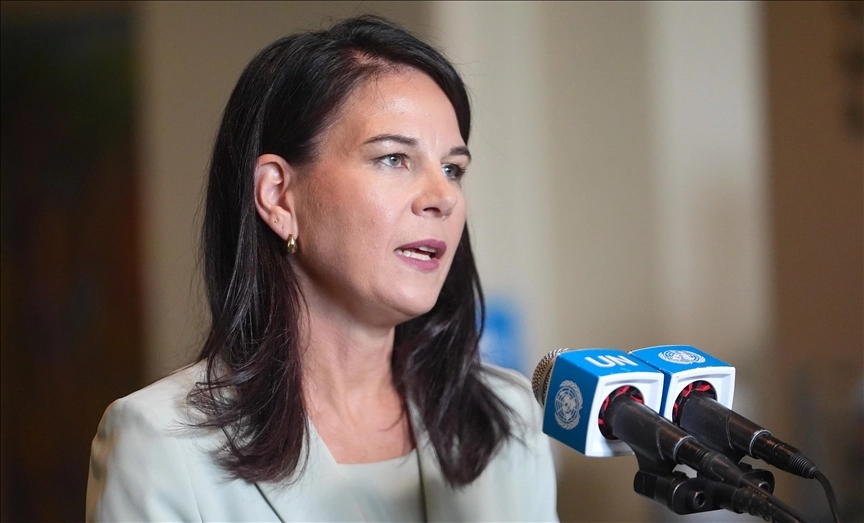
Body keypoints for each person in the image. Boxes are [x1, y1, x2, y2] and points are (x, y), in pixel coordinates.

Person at [86, 15, 558, 522]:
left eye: (452, 169)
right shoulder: (161, 442)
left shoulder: (506, 417)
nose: (443, 196)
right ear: (278, 195)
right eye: (393, 158)